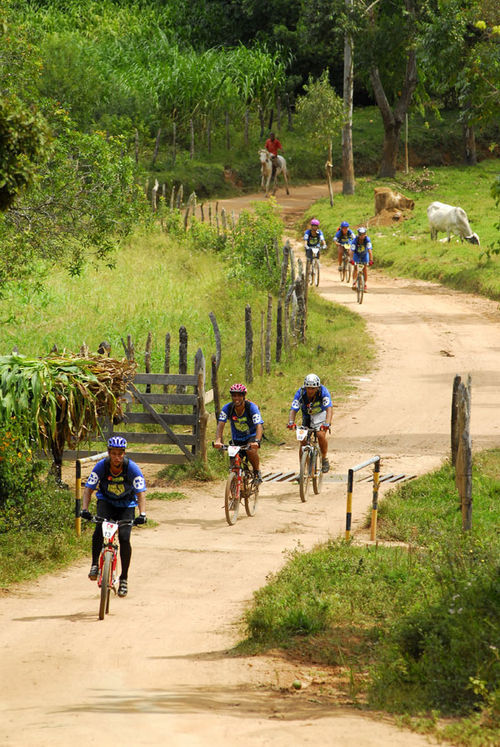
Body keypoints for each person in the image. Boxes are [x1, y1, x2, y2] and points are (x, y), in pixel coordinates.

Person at [80, 436, 147, 598]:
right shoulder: (101, 466)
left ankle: (124, 579)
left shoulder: (132, 468)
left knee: (124, 538)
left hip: (126, 506)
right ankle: (95, 564)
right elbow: (89, 489)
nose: (117, 457)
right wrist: (84, 509)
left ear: (124, 454)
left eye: (120, 453)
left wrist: (142, 514)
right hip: (106, 502)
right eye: (114, 453)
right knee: (99, 530)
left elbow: (140, 491)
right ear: (108, 453)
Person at [214, 383, 264, 483]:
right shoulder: (227, 408)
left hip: (251, 436)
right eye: (234, 395)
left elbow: (259, 425)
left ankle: (256, 472)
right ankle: (234, 485)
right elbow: (220, 424)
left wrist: (257, 441)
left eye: (239, 395)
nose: (236, 398)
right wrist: (218, 440)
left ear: (244, 396)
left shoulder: (251, 407)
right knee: (233, 462)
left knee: (251, 451)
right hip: (236, 438)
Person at [287, 373, 333, 473]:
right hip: (307, 416)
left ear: (317, 388)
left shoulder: (323, 392)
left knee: (320, 435)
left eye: (313, 388)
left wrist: (327, 423)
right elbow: (293, 409)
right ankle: (303, 470)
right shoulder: (300, 392)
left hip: (320, 415)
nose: (310, 391)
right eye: (308, 388)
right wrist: (291, 422)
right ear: (305, 387)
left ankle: (324, 458)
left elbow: (329, 409)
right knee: (302, 440)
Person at [350, 227, 373, 291]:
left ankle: (364, 284)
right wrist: (351, 259)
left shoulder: (367, 240)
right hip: (356, 254)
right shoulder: (355, 240)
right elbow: (351, 251)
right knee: (355, 268)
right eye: (360, 234)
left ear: (365, 234)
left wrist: (371, 260)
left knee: (365, 269)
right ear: (358, 234)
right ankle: (354, 282)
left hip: (364, 255)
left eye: (363, 234)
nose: (362, 236)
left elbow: (370, 250)